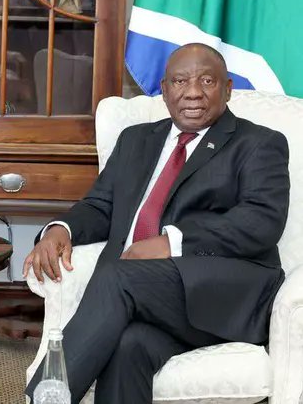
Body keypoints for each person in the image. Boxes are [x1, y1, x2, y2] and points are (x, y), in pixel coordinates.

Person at [23, 43, 290, 403]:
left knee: (118, 277)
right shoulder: (135, 140)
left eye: (207, 81)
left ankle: (43, 399)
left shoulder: (259, 143)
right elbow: (101, 207)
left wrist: (172, 242)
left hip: (221, 295)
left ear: (227, 89)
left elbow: (262, 220)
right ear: (164, 90)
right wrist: (60, 229)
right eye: (180, 81)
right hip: (150, 300)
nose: (192, 92)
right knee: (128, 345)